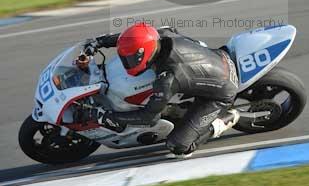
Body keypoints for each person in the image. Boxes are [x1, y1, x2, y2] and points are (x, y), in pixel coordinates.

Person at [83, 22, 240, 157]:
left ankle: (225, 120)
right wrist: (99, 42)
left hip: (220, 93)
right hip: (216, 57)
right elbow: (131, 38)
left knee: (178, 146)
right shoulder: (160, 34)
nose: (127, 62)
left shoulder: (167, 79)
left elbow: (148, 118)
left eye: (130, 59)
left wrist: (108, 117)